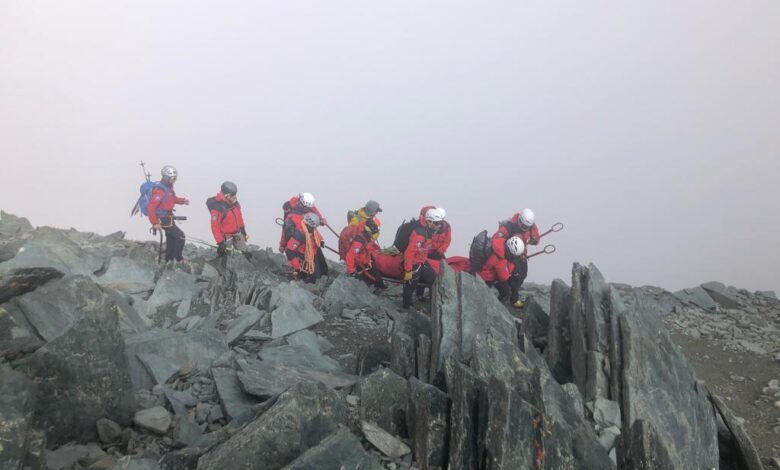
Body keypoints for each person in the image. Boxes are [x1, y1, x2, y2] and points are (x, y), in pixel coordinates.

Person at [491, 208, 540, 307]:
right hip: (510, 255)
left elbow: (536, 238)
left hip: (522, 254)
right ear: (519, 219)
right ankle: (513, 298)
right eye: (522, 224)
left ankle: (510, 292)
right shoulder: (509, 226)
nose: (523, 227)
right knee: (515, 276)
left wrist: (534, 240)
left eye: (526, 226)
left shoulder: (531, 226)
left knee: (523, 274)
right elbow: (496, 238)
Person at [147, 165, 189, 262]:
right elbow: (151, 207)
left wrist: (183, 201)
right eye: (173, 178)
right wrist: (154, 223)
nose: (175, 180)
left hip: (168, 217)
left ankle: (169, 259)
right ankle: (178, 258)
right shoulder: (160, 191)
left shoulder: (168, 187)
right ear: (166, 178)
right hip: (164, 219)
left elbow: (172, 199)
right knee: (180, 236)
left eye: (175, 178)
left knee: (171, 238)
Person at [402, 208, 439, 309]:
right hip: (414, 263)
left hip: (422, 262)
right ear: (429, 221)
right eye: (436, 223)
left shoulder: (428, 231)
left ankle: (433, 304)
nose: (438, 225)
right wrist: (408, 270)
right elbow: (409, 253)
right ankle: (406, 307)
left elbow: (423, 249)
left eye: (439, 223)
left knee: (434, 279)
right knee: (410, 285)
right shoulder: (419, 233)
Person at [207, 181, 248, 268]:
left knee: (244, 254)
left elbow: (239, 217)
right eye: (232, 195)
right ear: (226, 195)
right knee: (224, 257)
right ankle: (221, 272)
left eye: (235, 194)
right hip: (226, 237)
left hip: (237, 233)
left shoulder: (235, 204)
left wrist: (243, 230)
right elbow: (215, 226)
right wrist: (220, 242)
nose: (235, 197)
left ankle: (242, 271)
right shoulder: (217, 207)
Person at [478, 236, 525, 304]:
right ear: (511, 252)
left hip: (483, 269)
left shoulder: (500, 243)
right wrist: (512, 264)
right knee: (506, 292)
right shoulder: (500, 258)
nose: (514, 257)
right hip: (486, 276)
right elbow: (504, 277)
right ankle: (496, 308)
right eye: (514, 255)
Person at [284, 212, 328, 283]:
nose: (315, 228)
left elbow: (315, 234)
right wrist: (297, 268)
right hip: (304, 257)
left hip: (312, 254)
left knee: (320, 274)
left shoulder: (310, 229)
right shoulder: (299, 235)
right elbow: (290, 251)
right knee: (313, 278)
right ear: (309, 225)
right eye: (314, 227)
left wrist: (320, 241)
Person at [345, 217, 386, 289]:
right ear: (372, 227)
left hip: (367, 262)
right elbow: (350, 256)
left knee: (378, 279)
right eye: (377, 228)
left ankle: (381, 287)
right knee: (368, 284)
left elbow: (370, 246)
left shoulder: (367, 236)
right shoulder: (360, 240)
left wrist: (379, 250)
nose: (377, 231)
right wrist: (351, 271)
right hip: (360, 266)